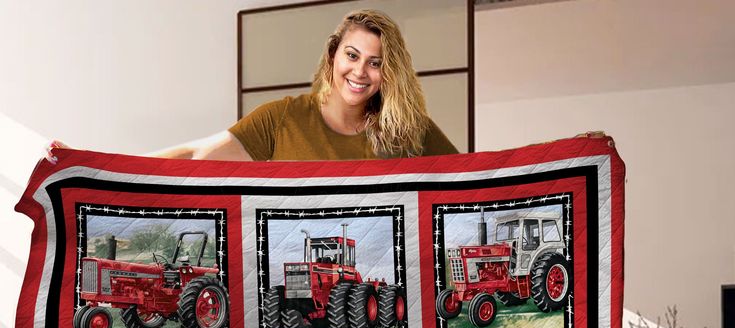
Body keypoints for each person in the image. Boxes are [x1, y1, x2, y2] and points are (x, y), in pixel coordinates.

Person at [47, 9, 457, 164]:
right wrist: (87, 163)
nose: (360, 72)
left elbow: (477, 182)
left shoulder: (409, 130)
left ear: (390, 72)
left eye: (376, 63)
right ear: (333, 54)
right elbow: (194, 155)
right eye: (352, 56)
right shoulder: (281, 121)